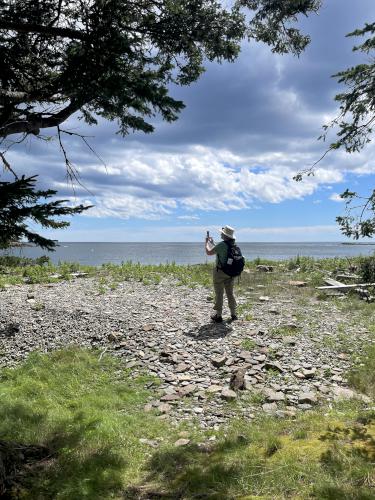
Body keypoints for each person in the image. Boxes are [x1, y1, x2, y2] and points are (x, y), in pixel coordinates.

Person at [205, 225, 238, 323]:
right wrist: (212, 243)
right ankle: (233, 314)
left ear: (225, 235)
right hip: (231, 272)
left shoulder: (222, 244)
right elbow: (218, 249)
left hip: (220, 272)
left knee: (219, 293)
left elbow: (209, 252)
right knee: (230, 293)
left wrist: (206, 242)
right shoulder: (233, 244)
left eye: (222, 233)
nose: (220, 234)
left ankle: (218, 315)